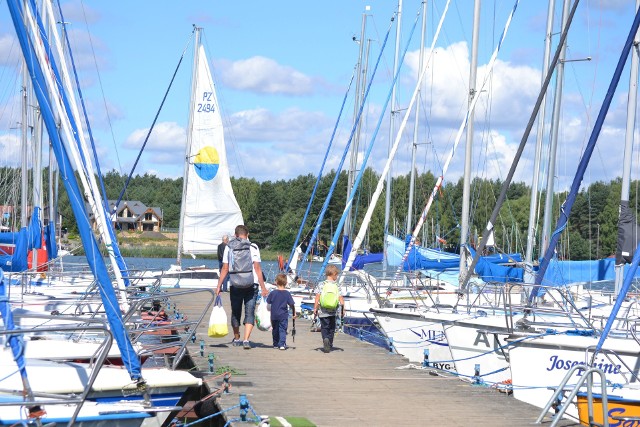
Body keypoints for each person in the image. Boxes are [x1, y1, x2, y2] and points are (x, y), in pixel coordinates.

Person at [216, 225, 269, 349]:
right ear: (248, 234)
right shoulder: (253, 247)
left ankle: (237, 337)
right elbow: (257, 268)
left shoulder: (229, 248)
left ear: (235, 235)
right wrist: (263, 287)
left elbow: (225, 268)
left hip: (235, 283)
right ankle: (246, 340)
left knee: (236, 311)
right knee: (249, 311)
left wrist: (219, 285)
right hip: (252, 284)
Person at [313, 264, 345, 353]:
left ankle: (325, 339)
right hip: (333, 312)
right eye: (337, 275)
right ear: (334, 274)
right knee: (332, 328)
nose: (337, 277)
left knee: (324, 327)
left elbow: (317, 297)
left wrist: (315, 308)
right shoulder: (337, 286)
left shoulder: (321, 284)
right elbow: (341, 299)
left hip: (323, 311)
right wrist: (343, 310)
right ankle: (330, 343)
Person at [266, 273, 296, 350]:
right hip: (283, 315)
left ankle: (275, 343)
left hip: (274, 315)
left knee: (275, 329)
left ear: (276, 282)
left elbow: (268, 302)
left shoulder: (273, 293)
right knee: (282, 329)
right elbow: (292, 304)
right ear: (285, 283)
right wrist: (294, 313)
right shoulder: (287, 293)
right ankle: (282, 344)